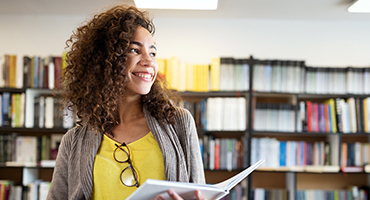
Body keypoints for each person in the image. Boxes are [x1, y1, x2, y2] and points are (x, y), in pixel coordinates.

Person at [46, 4, 205, 200]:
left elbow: (199, 193)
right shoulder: (74, 141)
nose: (149, 61)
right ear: (106, 60)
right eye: (134, 50)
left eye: (153, 53)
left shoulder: (179, 122)